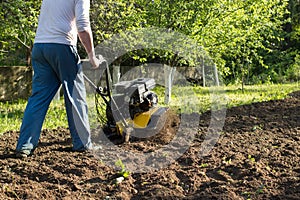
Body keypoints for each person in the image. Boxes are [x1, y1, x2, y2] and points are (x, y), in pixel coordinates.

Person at [15, 0, 102, 158]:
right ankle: (82, 144)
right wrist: (92, 56)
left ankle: (24, 146)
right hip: (62, 46)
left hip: (40, 47)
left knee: (38, 98)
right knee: (75, 97)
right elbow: (82, 25)